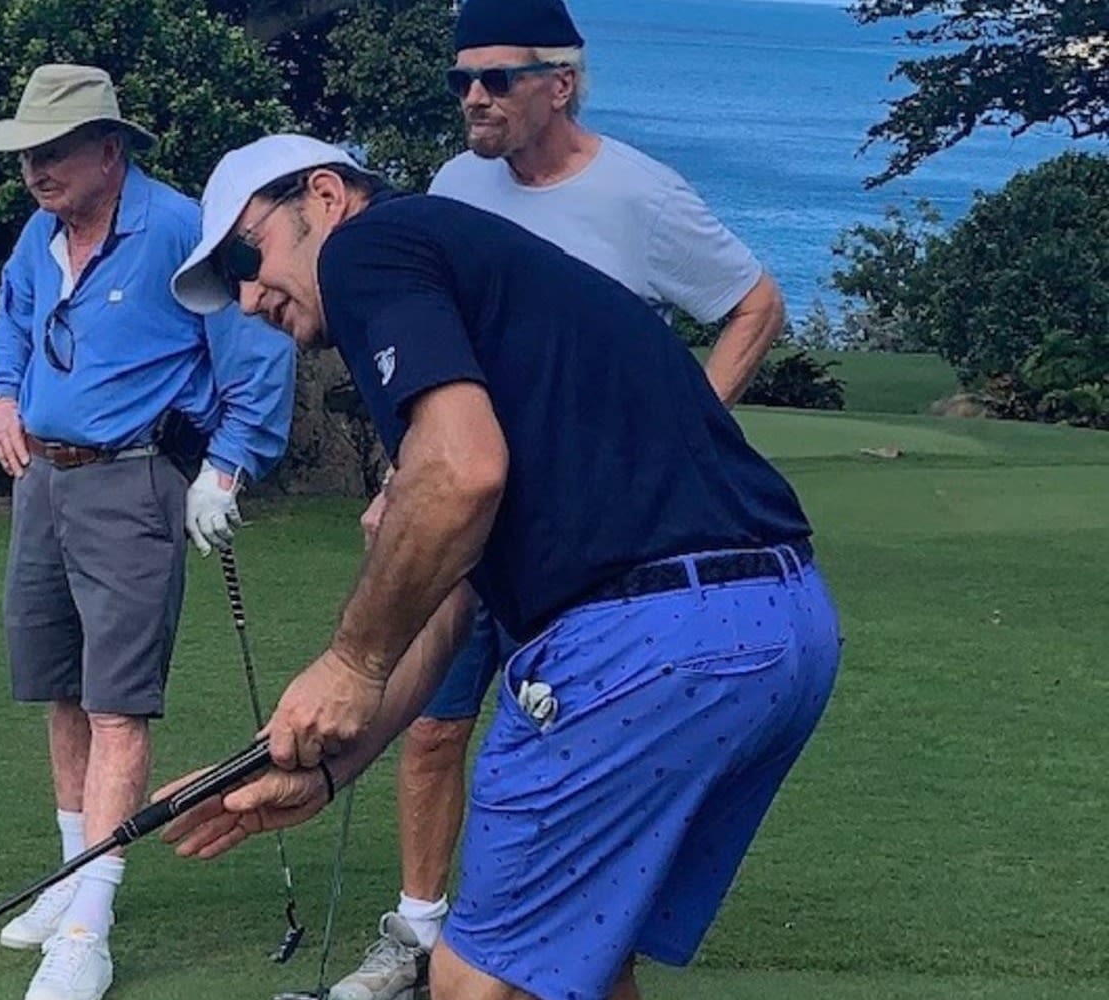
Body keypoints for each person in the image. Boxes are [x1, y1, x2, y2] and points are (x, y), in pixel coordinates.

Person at [161, 134, 842, 1000]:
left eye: (246, 258)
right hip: (782, 630)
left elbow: (457, 474)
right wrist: (337, 761)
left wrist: (349, 661)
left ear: (325, 198)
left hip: (643, 637)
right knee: (582, 965)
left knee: (478, 982)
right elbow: (456, 575)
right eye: (227, 285)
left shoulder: (373, 249)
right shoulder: (477, 275)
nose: (249, 298)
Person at [334, 1, 790, 994]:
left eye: (495, 78)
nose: (472, 98)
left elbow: (755, 304)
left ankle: (509, 950)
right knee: (434, 723)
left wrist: (677, 432)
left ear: (560, 83)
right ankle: (415, 929)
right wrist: (404, 479)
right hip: (472, 520)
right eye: (459, 80)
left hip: (595, 549)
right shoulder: (453, 187)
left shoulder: (639, 192)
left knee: (563, 848)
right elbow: (438, 358)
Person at [0, 65, 294, 1000]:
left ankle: (89, 926)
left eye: (56, 151)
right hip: (45, 481)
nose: (38, 169)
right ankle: (68, 878)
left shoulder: (181, 231)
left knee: (118, 702)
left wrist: (227, 471)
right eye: (30, 153)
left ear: (110, 151)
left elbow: (258, 353)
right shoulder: (40, 234)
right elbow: (13, 325)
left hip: (136, 481)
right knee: (61, 689)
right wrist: (2, 394)